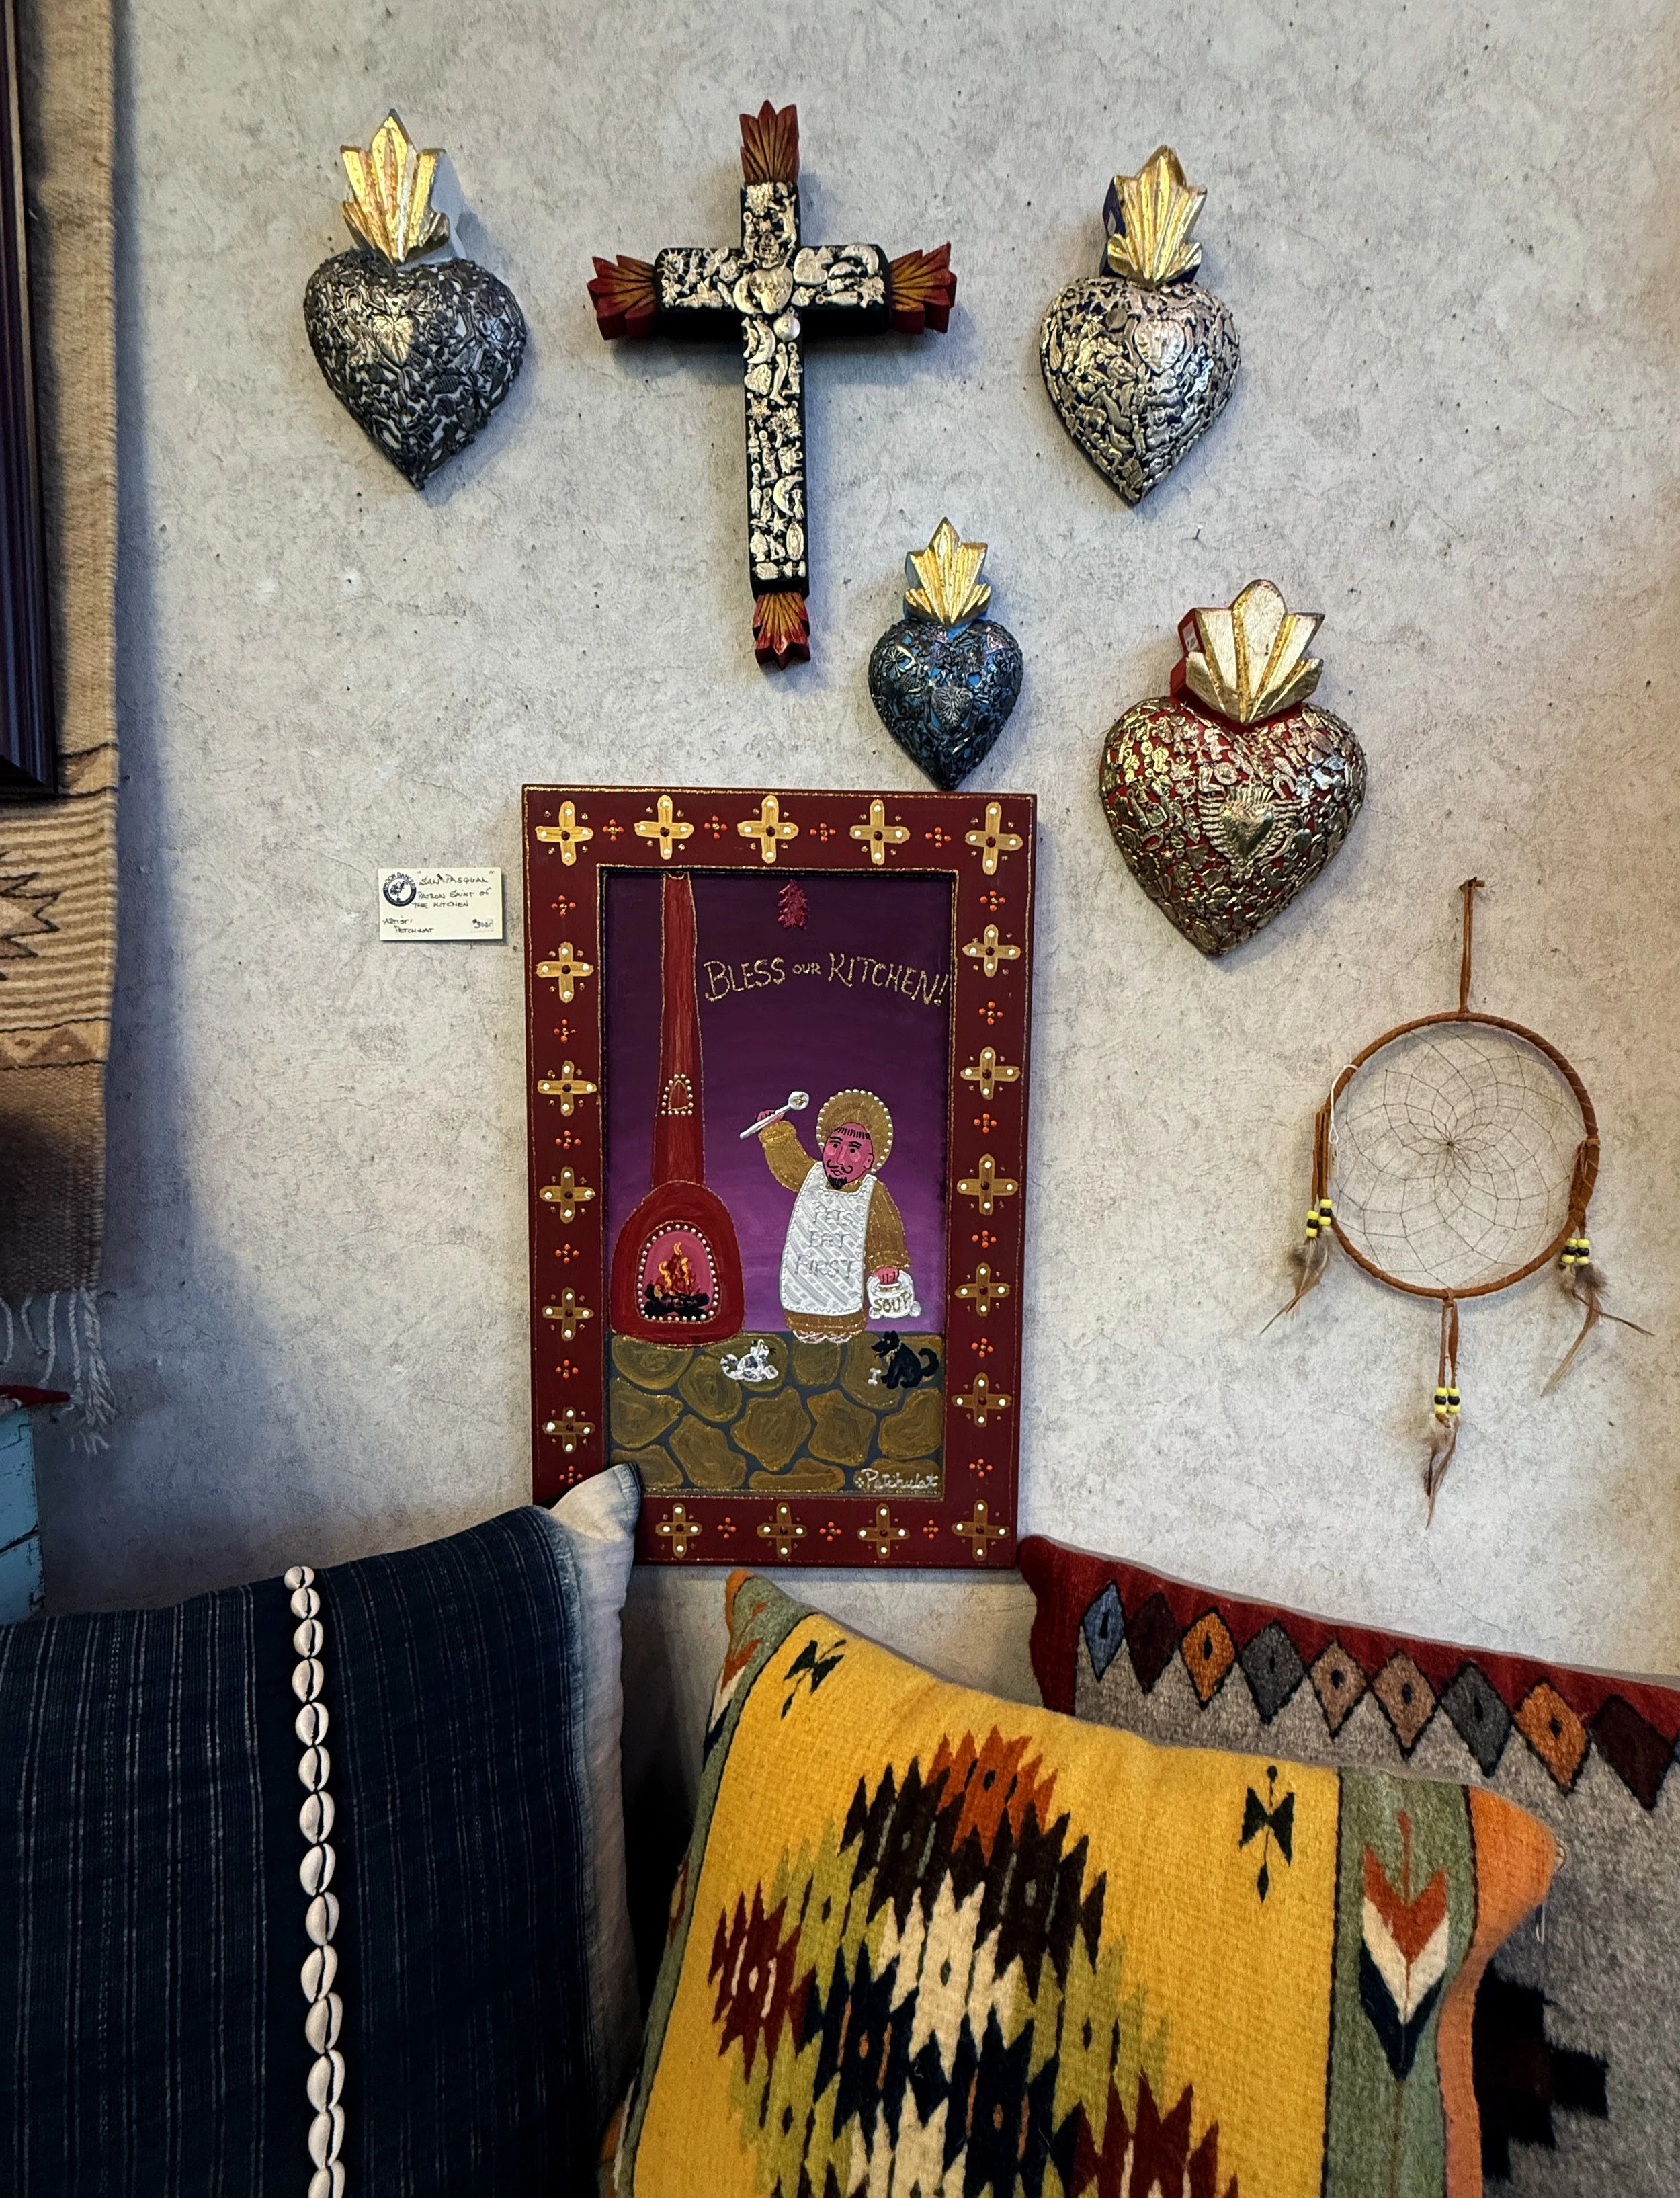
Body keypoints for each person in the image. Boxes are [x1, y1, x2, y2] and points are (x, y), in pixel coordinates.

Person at [753, 1088, 908, 1342]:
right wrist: (774, 1130)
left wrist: (885, 1263)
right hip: (805, 1270)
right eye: (834, 1146)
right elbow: (789, 1166)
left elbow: (884, 1228)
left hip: (845, 1275)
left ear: (869, 1160)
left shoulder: (874, 1191)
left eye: (853, 1150)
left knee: (843, 1318)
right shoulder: (812, 1176)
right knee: (804, 1314)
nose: (840, 1158)